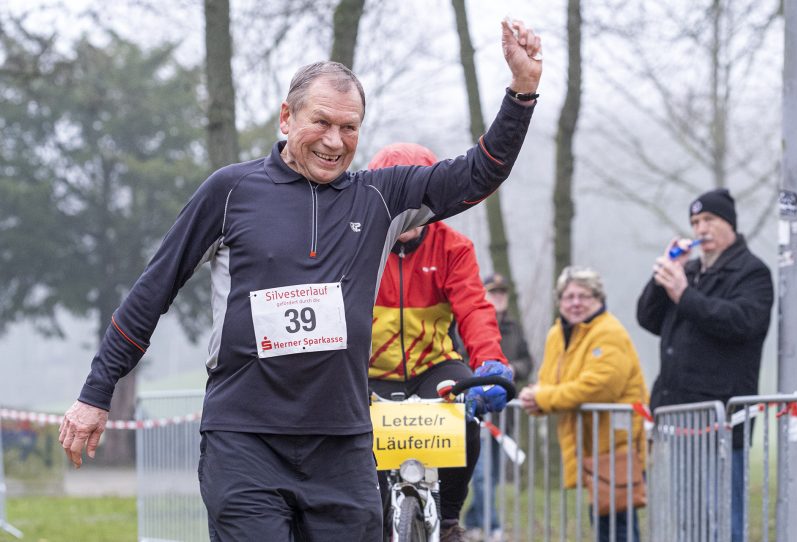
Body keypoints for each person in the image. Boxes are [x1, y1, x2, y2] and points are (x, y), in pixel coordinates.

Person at [57, 18, 543, 542]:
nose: (335, 141)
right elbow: (152, 292)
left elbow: (479, 172)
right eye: (322, 122)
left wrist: (521, 92)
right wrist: (96, 392)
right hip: (245, 440)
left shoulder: (381, 197)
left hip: (343, 445)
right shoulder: (231, 191)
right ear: (286, 117)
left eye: (350, 128)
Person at [366, 142, 513, 542]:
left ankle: (448, 521)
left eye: (420, 200)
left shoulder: (453, 248)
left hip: (433, 366)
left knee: (466, 415)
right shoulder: (358, 244)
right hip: (370, 372)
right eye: (400, 201)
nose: (410, 212)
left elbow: (474, 310)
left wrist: (490, 364)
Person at [636, 187, 774, 542]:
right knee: (686, 521)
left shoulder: (752, 272)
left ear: (729, 223)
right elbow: (649, 319)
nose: (701, 229)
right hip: (677, 417)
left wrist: (684, 295)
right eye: (695, 222)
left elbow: (742, 322)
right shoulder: (692, 269)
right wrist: (663, 275)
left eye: (709, 220)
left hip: (721, 422)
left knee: (721, 523)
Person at [519, 266, 648, 542]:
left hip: (616, 444)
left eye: (583, 296)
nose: (575, 303)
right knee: (602, 520)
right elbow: (549, 381)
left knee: (618, 525)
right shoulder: (558, 334)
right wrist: (538, 398)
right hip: (588, 443)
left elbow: (599, 387)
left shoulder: (609, 331)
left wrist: (543, 398)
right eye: (568, 297)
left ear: (598, 299)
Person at [464, 273, 531, 542]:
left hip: (504, 415)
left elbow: (528, 361)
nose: (499, 297)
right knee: (480, 475)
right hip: (478, 408)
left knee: (491, 476)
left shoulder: (515, 328)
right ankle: (493, 528)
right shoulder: (470, 325)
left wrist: (512, 369)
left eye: (502, 293)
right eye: (493, 292)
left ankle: (472, 522)